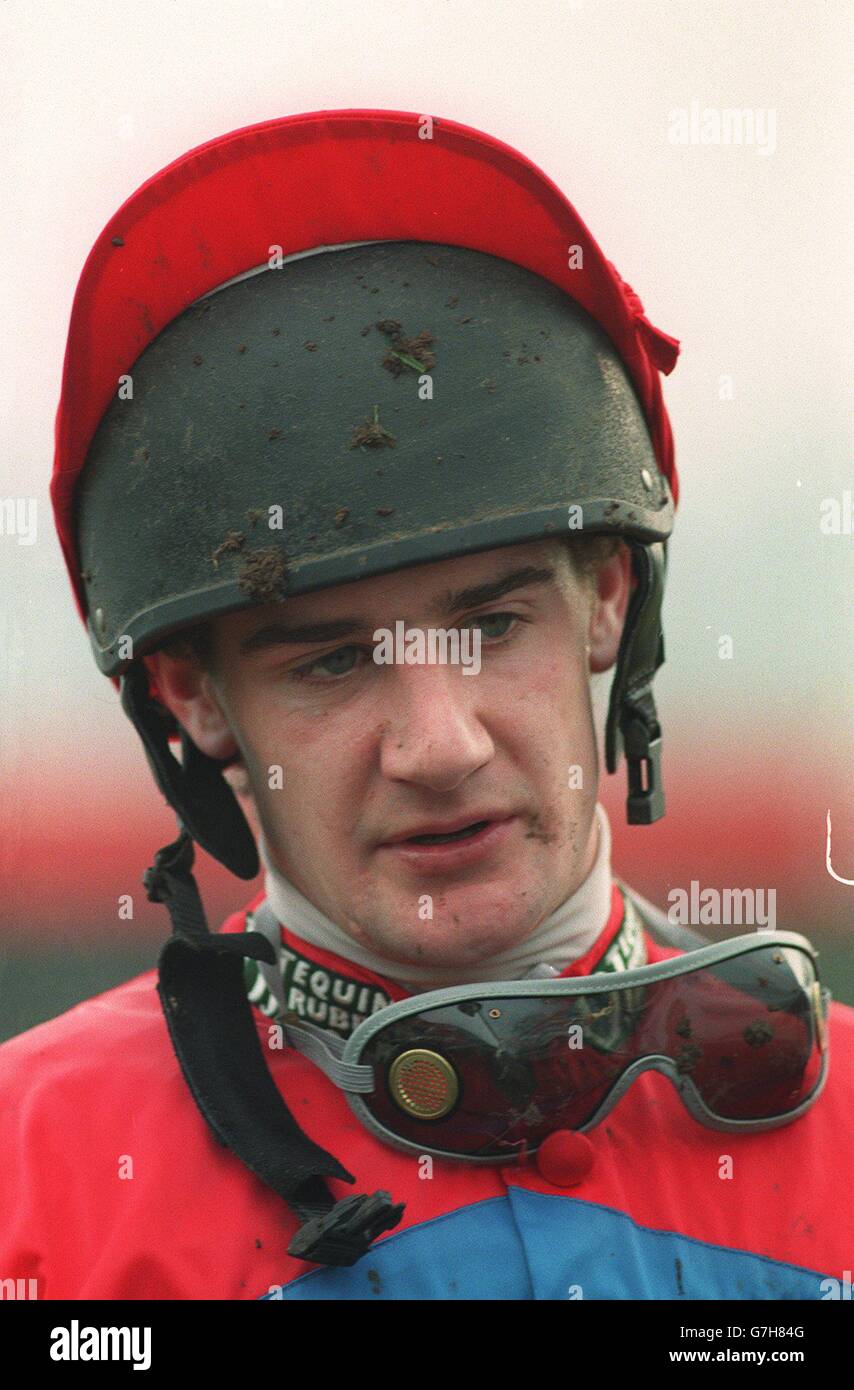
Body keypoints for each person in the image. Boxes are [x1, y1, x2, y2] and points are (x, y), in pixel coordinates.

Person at [1, 108, 851, 1301]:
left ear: (607, 599)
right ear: (190, 695)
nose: (439, 747)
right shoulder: (26, 1189)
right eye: (332, 664)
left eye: (491, 626)